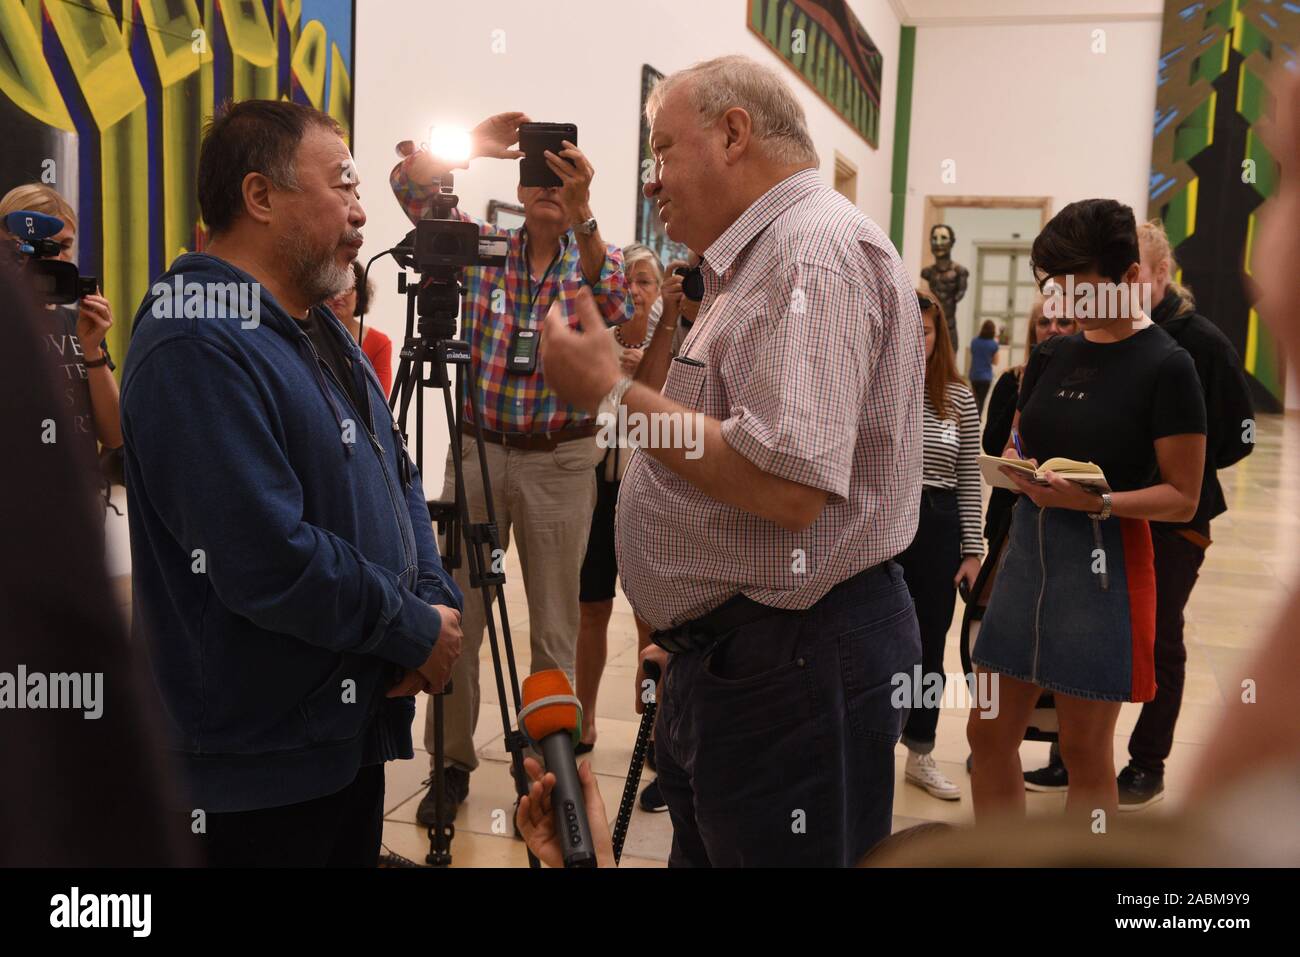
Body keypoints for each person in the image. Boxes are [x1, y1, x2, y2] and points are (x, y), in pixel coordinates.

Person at [540, 54, 924, 867]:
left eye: (663, 150)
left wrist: (612, 393)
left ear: (734, 134)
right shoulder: (754, 263)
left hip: (796, 660)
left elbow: (786, 486)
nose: (652, 181)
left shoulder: (809, 257)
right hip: (738, 653)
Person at [121, 99, 464, 867]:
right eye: (343, 184)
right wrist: (407, 627)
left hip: (339, 740)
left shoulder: (315, 328)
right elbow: (262, 556)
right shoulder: (195, 338)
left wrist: (434, 601)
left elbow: (397, 472)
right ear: (260, 196)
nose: (361, 211)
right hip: (254, 777)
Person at [389, 113, 631, 827]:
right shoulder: (486, 247)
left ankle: (550, 763)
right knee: (457, 612)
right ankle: (451, 763)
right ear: (520, 189)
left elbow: (617, 301)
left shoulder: (593, 259)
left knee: (554, 626)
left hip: (560, 457)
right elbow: (407, 185)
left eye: (559, 179)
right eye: (536, 178)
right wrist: (470, 150)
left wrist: (584, 211)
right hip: (481, 450)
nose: (546, 190)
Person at [967, 198, 1206, 826]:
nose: (1064, 301)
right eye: (1055, 286)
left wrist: (1099, 500)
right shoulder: (1051, 356)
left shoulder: (1168, 367)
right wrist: (1016, 464)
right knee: (987, 737)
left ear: (1129, 277)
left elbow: (1183, 495)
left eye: (1080, 286)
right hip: (1026, 562)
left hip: (1105, 574)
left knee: (1082, 749)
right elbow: (1022, 440)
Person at [1020, 219, 1256, 804]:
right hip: (1087, 509)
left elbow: (1236, 437)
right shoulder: (1083, 342)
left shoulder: (1195, 346)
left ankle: (1147, 760)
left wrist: (1161, 464)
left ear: (1151, 275)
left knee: (1156, 638)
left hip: (1171, 522)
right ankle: (1063, 754)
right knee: (1069, 646)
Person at [897, 293, 983, 800]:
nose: (917, 340)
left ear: (939, 337)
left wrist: (971, 550)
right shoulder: (876, 383)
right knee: (874, 643)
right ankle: (865, 745)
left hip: (939, 526)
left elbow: (970, 476)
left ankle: (921, 751)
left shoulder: (958, 395)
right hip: (888, 526)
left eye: (926, 332)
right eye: (909, 330)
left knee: (929, 648)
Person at [574, 242, 658, 758]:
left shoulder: (671, 346)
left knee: (649, 615)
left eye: (646, 281)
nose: (636, 290)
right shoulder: (597, 342)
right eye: (628, 280)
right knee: (591, 607)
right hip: (595, 486)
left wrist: (647, 369)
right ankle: (583, 719)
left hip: (645, 489)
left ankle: (650, 723)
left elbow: (678, 419)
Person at [0, 184, 122, 498]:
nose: (57, 256)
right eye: (41, 246)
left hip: (79, 503)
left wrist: (92, 349)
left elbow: (114, 435)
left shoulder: (77, 323)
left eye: (65, 245)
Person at [982, 296, 1077, 546]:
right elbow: (991, 444)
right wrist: (1022, 395)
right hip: (1008, 514)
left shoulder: (1080, 388)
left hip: (1064, 516)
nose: (1053, 328)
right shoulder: (1011, 380)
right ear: (1033, 330)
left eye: (1064, 321)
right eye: (1044, 321)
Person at [327, 259, 393, 396]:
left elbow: (380, 402)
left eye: (347, 288)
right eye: (332, 287)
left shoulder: (379, 343)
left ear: (359, 295)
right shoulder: (305, 335)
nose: (338, 296)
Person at [967, 319, 999, 415]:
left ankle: (972, 417)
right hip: (985, 377)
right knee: (982, 400)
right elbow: (995, 362)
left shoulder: (974, 341)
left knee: (975, 400)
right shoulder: (993, 344)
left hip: (974, 375)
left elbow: (973, 354)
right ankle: (978, 418)